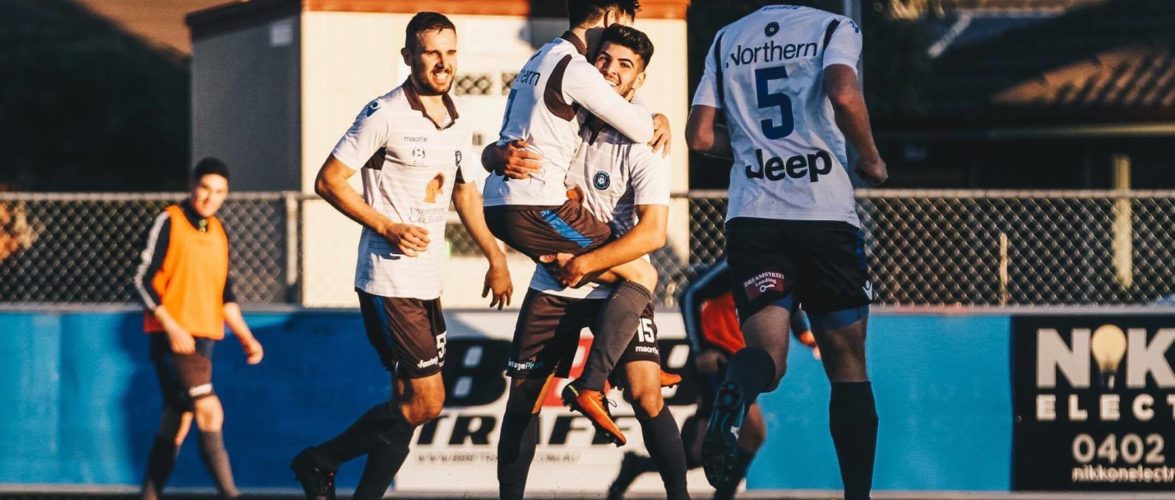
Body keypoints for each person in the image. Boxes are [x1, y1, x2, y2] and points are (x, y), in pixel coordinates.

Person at [289, 12, 513, 500]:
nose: (442, 63)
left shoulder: (457, 115)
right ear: (409, 56)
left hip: (428, 282)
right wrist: (385, 225)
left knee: (408, 402)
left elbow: (464, 192)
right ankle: (319, 460)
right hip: (388, 282)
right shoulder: (384, 113)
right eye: (431, 53)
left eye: (450, 53)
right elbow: (328, 181)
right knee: (426, 402)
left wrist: (495, 258)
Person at [686, 2, 888, 499]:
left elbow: (700, 136)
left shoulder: (727, 37)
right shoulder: (833, 27)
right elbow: (843, 93)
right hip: (823, 217)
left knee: (766, 360)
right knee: (847, 365)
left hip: (754, 220)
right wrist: (870, 157)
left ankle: (735, 392)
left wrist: (755, 147)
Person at [486, 24, 690, 500]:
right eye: (605, 59)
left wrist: (587, 262)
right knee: (523, 398)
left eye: (625, 65)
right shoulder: (567, 117)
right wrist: (494, 154)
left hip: (617, 283)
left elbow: (652, 233)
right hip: (555, 280)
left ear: (639, 79)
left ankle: (678, 493)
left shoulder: (644, 141)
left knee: (645, 394)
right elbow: (507, 147)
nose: (611, 70)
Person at [607, 258, 816, 500]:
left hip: (743, 362)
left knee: (706, 449)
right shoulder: (741, 256)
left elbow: (786, 298)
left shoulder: (784, 262)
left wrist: (804, 334)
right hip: (719, 358)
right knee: (751, 433)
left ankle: (638, 465)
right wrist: (701, 350)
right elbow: (690, 295)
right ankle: (718, 495)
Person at [132, 157, 265, 499]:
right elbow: (141, 279)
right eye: (205, 188)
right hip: (175, 339)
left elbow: (225, 295)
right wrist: (171, 326)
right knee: (209, 409)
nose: (210, 197)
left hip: (205, 339)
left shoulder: (218, 231)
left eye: (219, 192)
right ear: (192, 185)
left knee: (176, 420)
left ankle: (149, 495)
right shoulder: (170, 220)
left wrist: (246, 337)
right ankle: (230, 494)